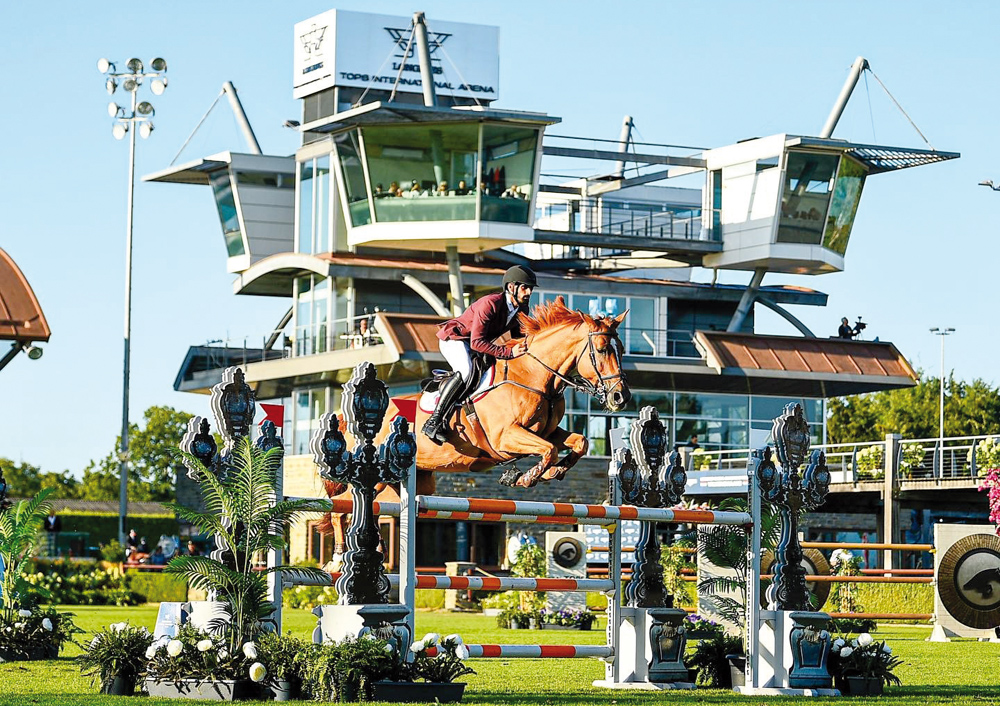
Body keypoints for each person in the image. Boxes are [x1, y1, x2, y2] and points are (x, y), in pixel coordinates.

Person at [422, 265, 536, 444]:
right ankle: (433, 421)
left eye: (530, 288)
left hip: (476, 345)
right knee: (466, 371)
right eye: (524, 287)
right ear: (511, 287)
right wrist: (507, 352)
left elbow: (519, 338)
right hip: (455, 339)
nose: (528, 292)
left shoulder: (522, 310)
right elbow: (477, 342)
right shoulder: (490, 303)